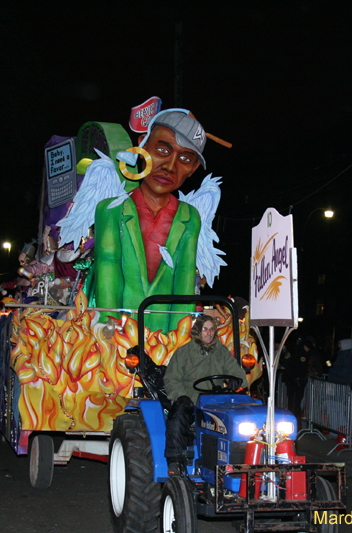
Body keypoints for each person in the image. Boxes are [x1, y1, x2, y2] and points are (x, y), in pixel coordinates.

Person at [93, 110, 207, 333]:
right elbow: (108, 267)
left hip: (164, 339)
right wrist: (110, 327)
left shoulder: (190, 216)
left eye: (185, 158)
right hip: (117, 337)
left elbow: (184, 282)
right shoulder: (110, 210)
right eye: (162, 150)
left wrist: (178, 339)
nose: (170, 166)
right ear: (142, 146)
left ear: (193, 169)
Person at [162, 315, 247, 475]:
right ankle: (174, 460)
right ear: (197, 331)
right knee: (178, 413)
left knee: (243, 415)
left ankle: (243, 460)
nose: (209, 333)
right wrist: (181, 396)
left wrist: (239, 381)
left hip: (217, 401)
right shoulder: (184, 352)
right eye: (205, 329)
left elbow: (236, 371)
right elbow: (171, 378)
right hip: (192, 401)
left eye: (211, 329)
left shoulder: (221, 352)